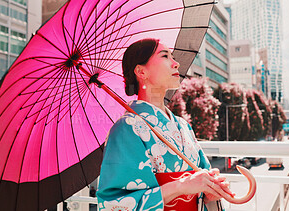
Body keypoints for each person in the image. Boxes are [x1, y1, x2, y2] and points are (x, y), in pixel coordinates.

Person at [96, 38, 234, 210]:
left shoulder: (183, 125)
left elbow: (201, 177)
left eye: (173, 57)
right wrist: (180, 186)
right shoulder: (126, 130)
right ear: (141, 72)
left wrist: (210, 189)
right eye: (165, 56)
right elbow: (113, 204)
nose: (175, 64)